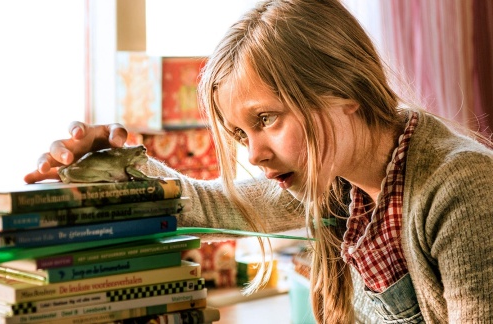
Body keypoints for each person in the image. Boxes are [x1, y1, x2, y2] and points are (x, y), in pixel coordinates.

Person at [25, 0, 493, 323]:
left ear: (344, 90)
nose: (254, 154)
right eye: (239, 134)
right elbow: (211, 205)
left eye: (266, 119)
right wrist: (115, 165)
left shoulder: (461, 188)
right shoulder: (336, 177)